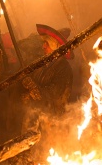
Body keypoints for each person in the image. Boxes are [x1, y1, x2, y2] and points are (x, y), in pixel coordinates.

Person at [12, 24, 74, 163]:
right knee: (27, 155)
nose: (43, 46)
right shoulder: (43, 64)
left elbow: (56, 93)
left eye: (46, 43)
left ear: (55, 45)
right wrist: (27, 91)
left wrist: (34, 88)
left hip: (50, 122)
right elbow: (30, 86)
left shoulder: (64, 69)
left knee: (44, 155)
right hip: (34, 119)